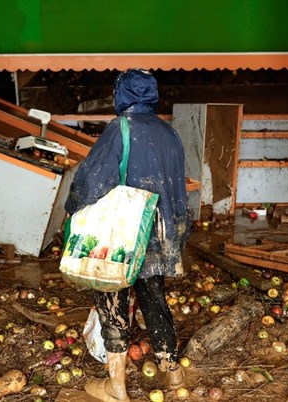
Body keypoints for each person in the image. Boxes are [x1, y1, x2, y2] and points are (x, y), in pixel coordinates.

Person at [65, 68, 190, 401]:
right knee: (154, 296)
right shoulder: (170, 133)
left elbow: (92, 180)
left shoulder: (119, 130)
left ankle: (116, 386)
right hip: (161, 233)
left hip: (123, 237)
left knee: (112, 301)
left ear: (121, 95)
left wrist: (72, 207)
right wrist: (178, 236)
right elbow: (179, 188)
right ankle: (173, 373)